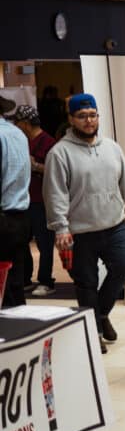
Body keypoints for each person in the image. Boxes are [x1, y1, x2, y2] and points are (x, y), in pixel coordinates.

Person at [44, 94, 125, 352]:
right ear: (71, 119)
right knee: (86, 283)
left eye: (92, 115)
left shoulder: (111, 147)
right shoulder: (60, 153)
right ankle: (94, 333)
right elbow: (55, 193)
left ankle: (99, 315)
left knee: (124, 266)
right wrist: (61, 228)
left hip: (114, 224)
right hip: (80, 232)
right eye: (82, 116)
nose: (89, 121)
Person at [11, 105, 57, 297]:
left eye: (18, 122)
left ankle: (46, 280)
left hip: (42, 200)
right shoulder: (22, 141)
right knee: (21, 240)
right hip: (24, 198)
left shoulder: (49, 142)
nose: (16, 126)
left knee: (44, 243)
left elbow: (55, 170)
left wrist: (35, 165)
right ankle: (25, 278)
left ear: (26, 123)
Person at [0, 96, 31, 308]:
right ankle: (22, 335)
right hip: (20, 216)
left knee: (5, 287)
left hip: (2, 218)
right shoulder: (17, 133)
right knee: (15, 283)